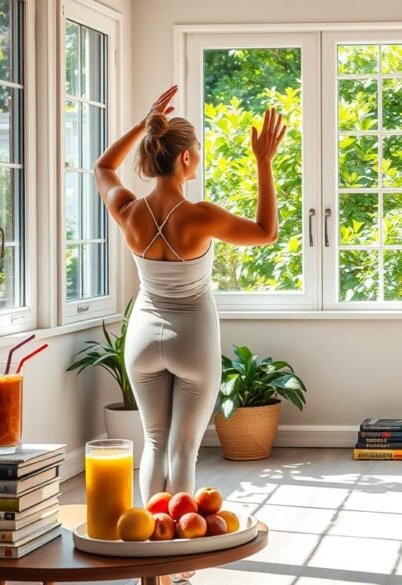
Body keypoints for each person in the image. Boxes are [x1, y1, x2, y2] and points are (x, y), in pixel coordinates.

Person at [95, 85, 286, 502]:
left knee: (154, 443)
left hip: (142, 338)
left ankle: (153, 539)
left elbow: (104, 166)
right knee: (183, 449)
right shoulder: (201, 216)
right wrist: (263, 162)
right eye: (197, 148)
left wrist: (143, 125)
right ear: (184, 158)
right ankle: (179, 540)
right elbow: (266, 232)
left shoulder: (128, 211)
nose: (198, 154)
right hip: (193, 337)